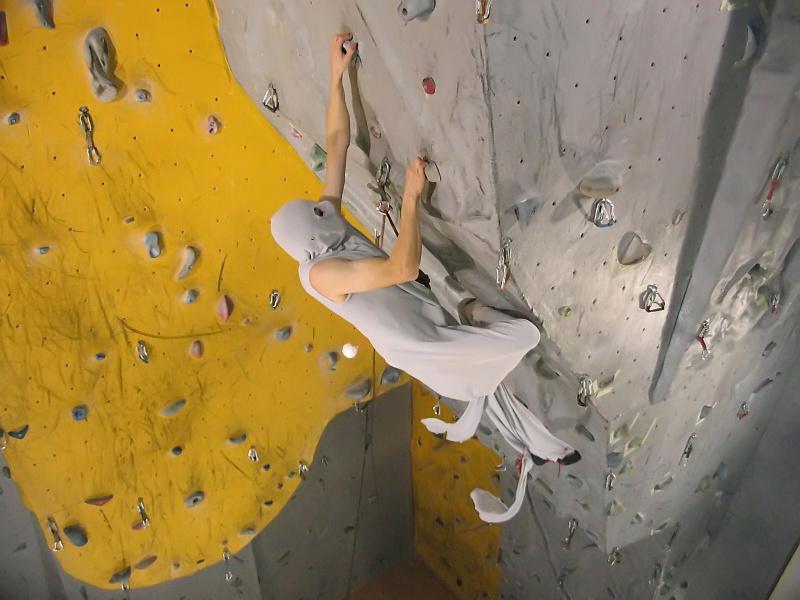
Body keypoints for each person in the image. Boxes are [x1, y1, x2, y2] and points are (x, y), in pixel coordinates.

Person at [270, 34, 579, 522]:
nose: (325, 205)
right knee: (520, 341)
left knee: (489, 386)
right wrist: (411, 198)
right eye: (318, 210)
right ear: (309, 237)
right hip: (419, 343)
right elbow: (402, 268)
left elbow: (336, 145)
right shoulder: (323, 273)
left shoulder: (324, 231)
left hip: (419, 313)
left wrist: (336, 77)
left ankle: (543, 450)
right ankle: (475, 321)